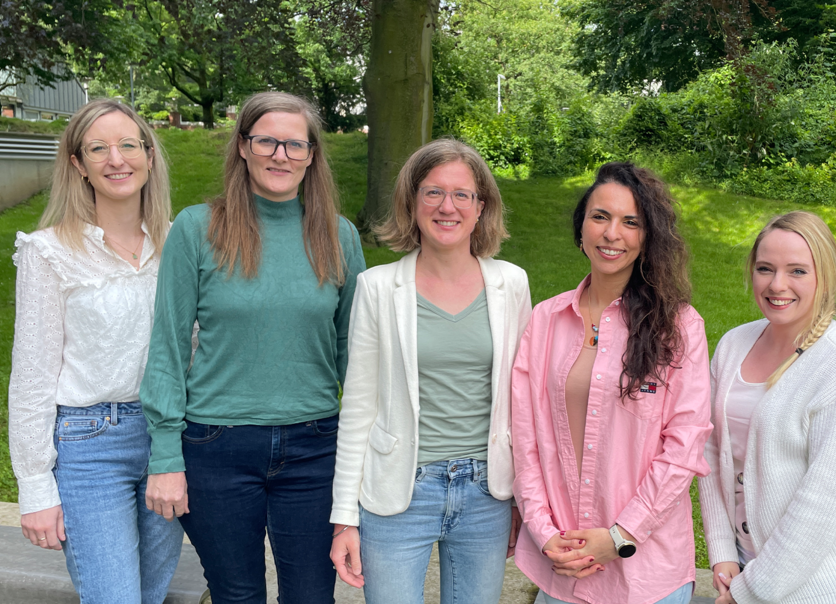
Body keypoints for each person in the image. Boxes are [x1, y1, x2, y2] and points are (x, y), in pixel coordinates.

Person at [140, 91, 366, 603]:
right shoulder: (198, 229)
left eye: (295, 144)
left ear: (312, 155)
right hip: (216, 445)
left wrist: (362, 459)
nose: (280, 155)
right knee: (235, 594)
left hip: (314, 446)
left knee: (310, 596)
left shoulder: (338, 237)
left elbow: (356, 358)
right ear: (243, 147)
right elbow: (168, 347)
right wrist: (165, 456)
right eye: (266, 140)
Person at [328, 138, 531, 604]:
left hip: (487, 493)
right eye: (433, 192)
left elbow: (522, 400)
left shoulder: (510, 283)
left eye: (463, 194)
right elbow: (358, 405)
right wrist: (345, 517)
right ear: (412, 201)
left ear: (482, 207)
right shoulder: (377, 287)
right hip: (400, 493)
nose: (448, 206)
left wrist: (522, 498)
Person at [511, 162, 712, 604]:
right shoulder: (545, 321)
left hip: (645, 575)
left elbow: (683, 449)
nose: (611, 233)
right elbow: (524, 440)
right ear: (581, 226)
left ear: (647, 237)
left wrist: (620, 535)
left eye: (631, 222)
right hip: (562, 563)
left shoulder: (677, 328)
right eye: (600, 216)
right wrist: (544, 533)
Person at [9, 99, 182, 602]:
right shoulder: (49, 252)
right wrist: (36, 488)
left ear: (149, 156)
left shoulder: (178, 245)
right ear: (78, 165)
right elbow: (32, 376)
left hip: (168, 442)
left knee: (150, 594)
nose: (116, 159)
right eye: (98, 148)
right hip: (89, 444)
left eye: (129, 144)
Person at [697, 211, 836, 604]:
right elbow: (708, 449)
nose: (777, 285)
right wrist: (721, 551)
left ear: (823, 276)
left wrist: (750, 592)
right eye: (765, 268)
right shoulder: (734, 345)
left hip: (828, 586)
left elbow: (827, 501)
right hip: (747, 566)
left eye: (797, 271)